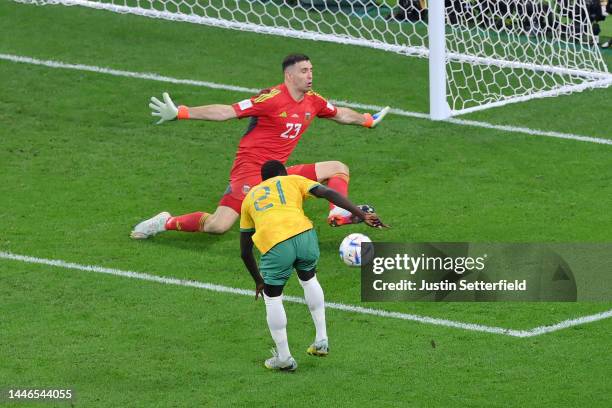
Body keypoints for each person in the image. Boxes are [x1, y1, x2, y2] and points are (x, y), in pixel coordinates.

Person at [131, 53, 389, 239]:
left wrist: (366, 120)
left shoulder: (314, 101)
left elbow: (340, 114)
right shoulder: (271, 99)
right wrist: (181, 112)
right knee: (218, 226)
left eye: (311, 70)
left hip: (277, 172)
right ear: (289, 75)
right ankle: (164, 222)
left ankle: (338, 213)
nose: (310, 75)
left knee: (337, 167)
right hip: (250, 171)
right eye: (303, 71)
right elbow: (226, 112)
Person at [240, 160, 387, 372]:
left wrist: (258, 281)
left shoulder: (250, 198)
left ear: (263, 179)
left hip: (275, 243)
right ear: (283, 172)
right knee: (309, 279)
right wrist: (361, 214)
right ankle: (321, 340)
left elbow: (245, 251)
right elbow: (328, 193)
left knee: (272, 298)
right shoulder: (293, 179)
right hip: (304, 236)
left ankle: (284, 358)